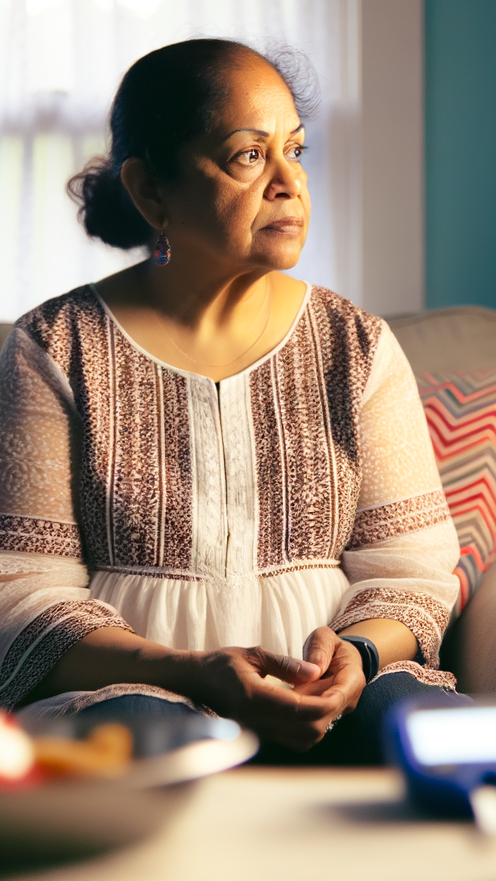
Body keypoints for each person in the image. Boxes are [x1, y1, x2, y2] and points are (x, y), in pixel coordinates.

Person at [0, 38, 467, 763]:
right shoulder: (56, 346)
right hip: (130, 686)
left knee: (441, 741)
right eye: (248, 155)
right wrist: (188, 673)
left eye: (297, 150)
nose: (290, 183)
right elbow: (22, 589)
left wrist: (357, 660)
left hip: (333, 690)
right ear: (152, 190)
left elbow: (412, 568)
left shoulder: (357, 344)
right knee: (146, 742)